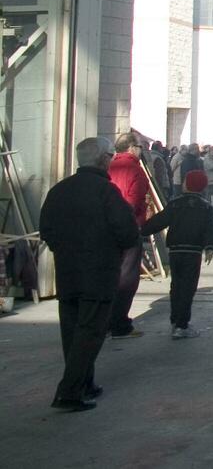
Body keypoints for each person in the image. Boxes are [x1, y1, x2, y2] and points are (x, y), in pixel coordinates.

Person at [38, 136, 140, 412]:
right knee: (89, 334)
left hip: (68, 273)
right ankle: (69, 392)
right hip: (98, 274)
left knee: (72, 333)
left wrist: (65, 249)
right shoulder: (106, 192)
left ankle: (85, 383)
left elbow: (45, 228)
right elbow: (128, 232)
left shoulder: (59, 190)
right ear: (104, 159)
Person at [141, 170, 213, 338]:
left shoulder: (175, 204)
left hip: (175, 251)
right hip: (193, 251)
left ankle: (175, 320)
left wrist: (143, 229)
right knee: (188, 288)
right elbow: (210, 229)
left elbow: (160, 221)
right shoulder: (205, 206)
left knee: (176, 286)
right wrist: (210, 247)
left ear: (186, 184)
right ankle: (182, 325)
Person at [106, 132, 151, 339]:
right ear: (132, 148)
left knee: (109, 274)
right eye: (141, 147)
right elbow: (133, 201)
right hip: (129, 227)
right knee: (127, 277)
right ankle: (120, 323)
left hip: (106, 229)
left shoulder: (108, 167)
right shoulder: (135, 170)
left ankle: (105, 321)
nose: (142, 151)